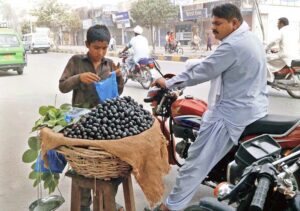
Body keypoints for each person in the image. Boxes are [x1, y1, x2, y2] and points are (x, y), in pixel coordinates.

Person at [150, 3, 268, 210]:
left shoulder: (232, 45)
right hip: (253, 108)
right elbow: (214, 63)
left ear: (234, 23)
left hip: (229, 114)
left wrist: (168, 82)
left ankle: (171, 207)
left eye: (218, 24)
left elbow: (203, 70)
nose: (213, 28)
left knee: (194, 164)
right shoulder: (250, 39)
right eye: (212, 23)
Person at [59, 24, 124, 211]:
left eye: (105, 48)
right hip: (81, 124)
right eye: (97, 48)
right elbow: (62, 86)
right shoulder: (76, 61)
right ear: (87, 44)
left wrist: (119, 77)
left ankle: (105, 202)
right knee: (84, 170)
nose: (101, 52)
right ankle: (83, 205)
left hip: (104, 125)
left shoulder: (110, 64)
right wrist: (79, 78)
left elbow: (117, 93)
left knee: (106, 169)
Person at [265, 17, 299, 81]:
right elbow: (289, 43)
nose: (277, 25)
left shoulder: (282, 30)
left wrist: (266, 48)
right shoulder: (294, 30)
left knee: (264, 60)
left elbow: (274, 41)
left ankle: (269, 79)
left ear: (282, 23)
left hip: (285, 56)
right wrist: (278, 49)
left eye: (278, 23)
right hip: (295, 56)